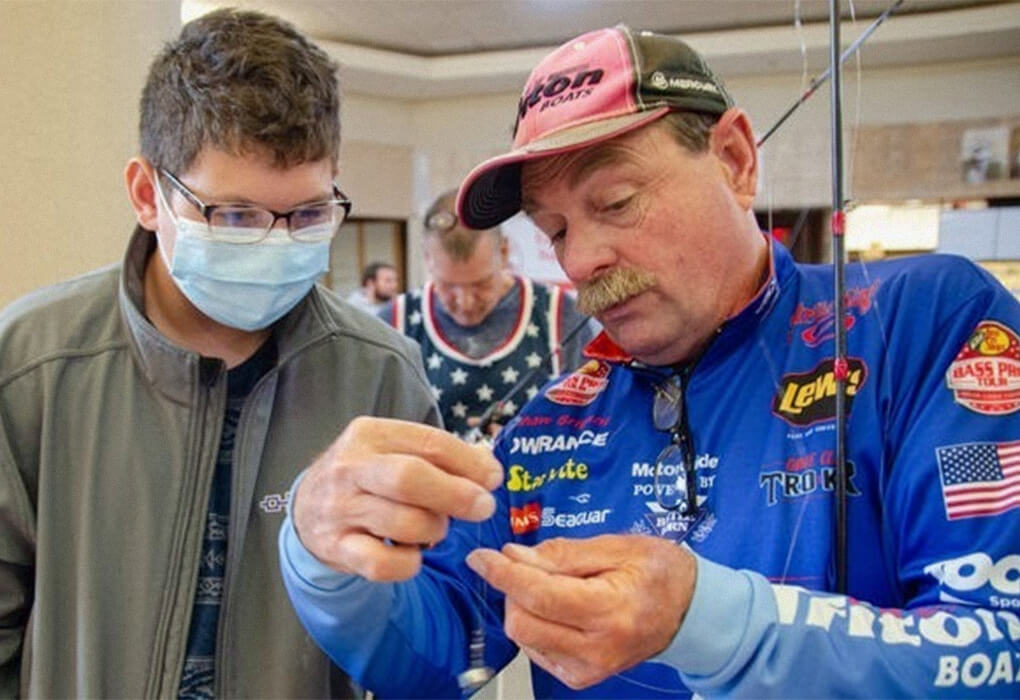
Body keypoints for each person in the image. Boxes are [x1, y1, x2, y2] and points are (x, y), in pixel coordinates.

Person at [280, 25, 1020, 698]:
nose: (584, 259)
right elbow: (439, 655)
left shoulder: (925, 324)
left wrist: (712, 622)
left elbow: (998, 646)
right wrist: (322, 553)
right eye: (557, 229)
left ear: (733, 159)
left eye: (618, 201)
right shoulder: (550, 428)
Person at [0, 9, 438, 698]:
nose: (275, 244)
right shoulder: (32, 365)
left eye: (307, 215)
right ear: (149, 194)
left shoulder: (380, 376)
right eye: (234, 217)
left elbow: (426, 641)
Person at [381, 189, 596, 439]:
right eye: (448, 287)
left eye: (481, 284)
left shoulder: (558, 315)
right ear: (427, 259)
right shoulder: (395, 323)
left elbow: (592, 423)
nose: (466, 302)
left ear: (504, 252)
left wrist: (528, 443)